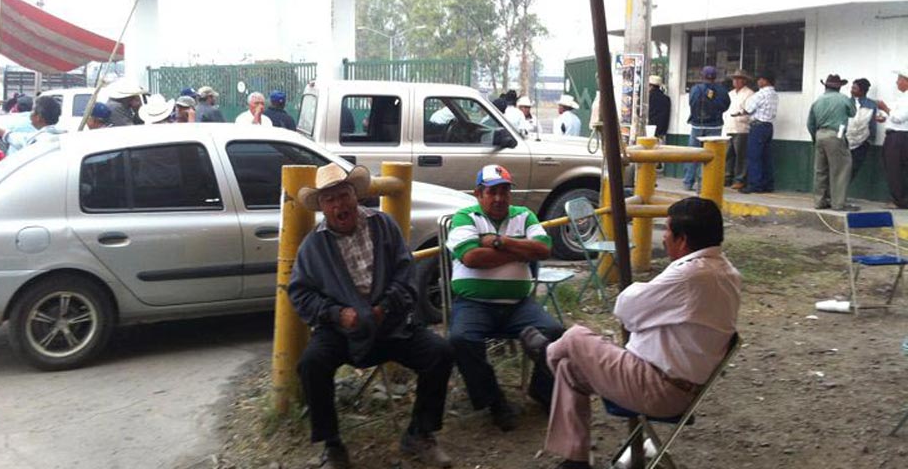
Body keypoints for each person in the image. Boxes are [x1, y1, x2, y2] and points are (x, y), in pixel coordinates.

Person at [521, 197, 741, 469]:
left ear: (682, 240)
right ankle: (576, 459)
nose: (664, 239)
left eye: (668, 231)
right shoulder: (728, 272)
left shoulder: (690, 275)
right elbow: (655, 314)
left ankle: (545, 355)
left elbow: (624, 307)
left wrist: (645, 306)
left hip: (659, 388)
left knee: (575, 337)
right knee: (568, 366)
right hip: (676, 383)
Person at [289, 163, 454, 469]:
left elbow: (406, 276)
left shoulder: (384, 225)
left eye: (344, 195)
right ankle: (332, 445)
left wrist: (385, 307)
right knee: (311, 364)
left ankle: (420, 433)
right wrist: (337, 314)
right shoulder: (314, 245)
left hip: (389, 324)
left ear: (356, 196)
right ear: (322, 207)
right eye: (330, 199)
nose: (339, 204)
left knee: (440, 352)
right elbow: (300, 294)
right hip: (342, 330)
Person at [445, 164, 564, 431]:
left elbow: (544, 249)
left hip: (518, 306)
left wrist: (500, 242)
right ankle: (494, 401)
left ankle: (541, 391)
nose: (499, 198)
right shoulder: (466, 217)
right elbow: (471, 257)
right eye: (492, 192)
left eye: (504, 191)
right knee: (461, 339)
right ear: (479, 193)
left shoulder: (524, 215)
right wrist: (523, 250)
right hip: (473, 304)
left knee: (554, 331)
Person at [807, 74, 857, 211]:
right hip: (836, 135)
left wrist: (815, 137)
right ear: (839, 87)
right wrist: (852, 98)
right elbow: (853, 113)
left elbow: (810, 123)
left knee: (820, 170)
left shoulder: (818, 100)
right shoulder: (843, 99)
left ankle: (819, 202)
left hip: (819, 135)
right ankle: (838, 203)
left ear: (826, 86)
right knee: (840, 170)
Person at [682, 66, 729, 191]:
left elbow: (691, 103)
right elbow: (725, 106)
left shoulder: (696, 89)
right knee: (710, 156)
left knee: (693, 154)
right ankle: (703, 185)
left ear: (702, 76)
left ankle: (688, 182)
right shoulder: (722, 90)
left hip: (697, 125)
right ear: (715, 77)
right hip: (715, 126)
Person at [741, 72, 779, 194]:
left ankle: (755, 185)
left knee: (754, 157)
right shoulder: (774, 94)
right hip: (768, 126)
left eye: (759, 79)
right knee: (766, 157)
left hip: (758, 127)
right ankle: (768, 184)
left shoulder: (760, 94)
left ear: (765, 81)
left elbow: (748, 109)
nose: (758, 82)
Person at [878, 68, 908, 208]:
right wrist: (884, 118)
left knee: (895, 169)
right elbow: (893, 117)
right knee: (893, 168)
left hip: (899, 137)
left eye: (899, 80)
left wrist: (884, 108)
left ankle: (899, 201)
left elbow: (898, 118)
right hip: (896, 136)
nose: (897, 83)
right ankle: (899, 198)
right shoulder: (902, 98)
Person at [723, 72, 755, 190]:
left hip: (741, 129)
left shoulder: (749, 94)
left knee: (741, 156)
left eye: (739, 79)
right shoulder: (730, 94)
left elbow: (749, 112)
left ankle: (740, 179)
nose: (735, 81)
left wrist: (739, 117)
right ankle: (727, 177)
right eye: (734, 79)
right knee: (728, 155)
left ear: (744, 81)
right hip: (729, 127)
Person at [847, 78, 882, 181]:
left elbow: (872, 123)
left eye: (855, 88)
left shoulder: (871, 105)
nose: (851, 90)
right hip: (844, 141)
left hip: (862, 143)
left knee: (853, 170)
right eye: (852, 87)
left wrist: (869, 141)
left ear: (862, 91)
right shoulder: (846, 102)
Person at [647, 75, 670, 140]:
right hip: (661, 131)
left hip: (649, 130)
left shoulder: (648, 98)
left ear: (650, 86)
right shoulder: (666, 99)